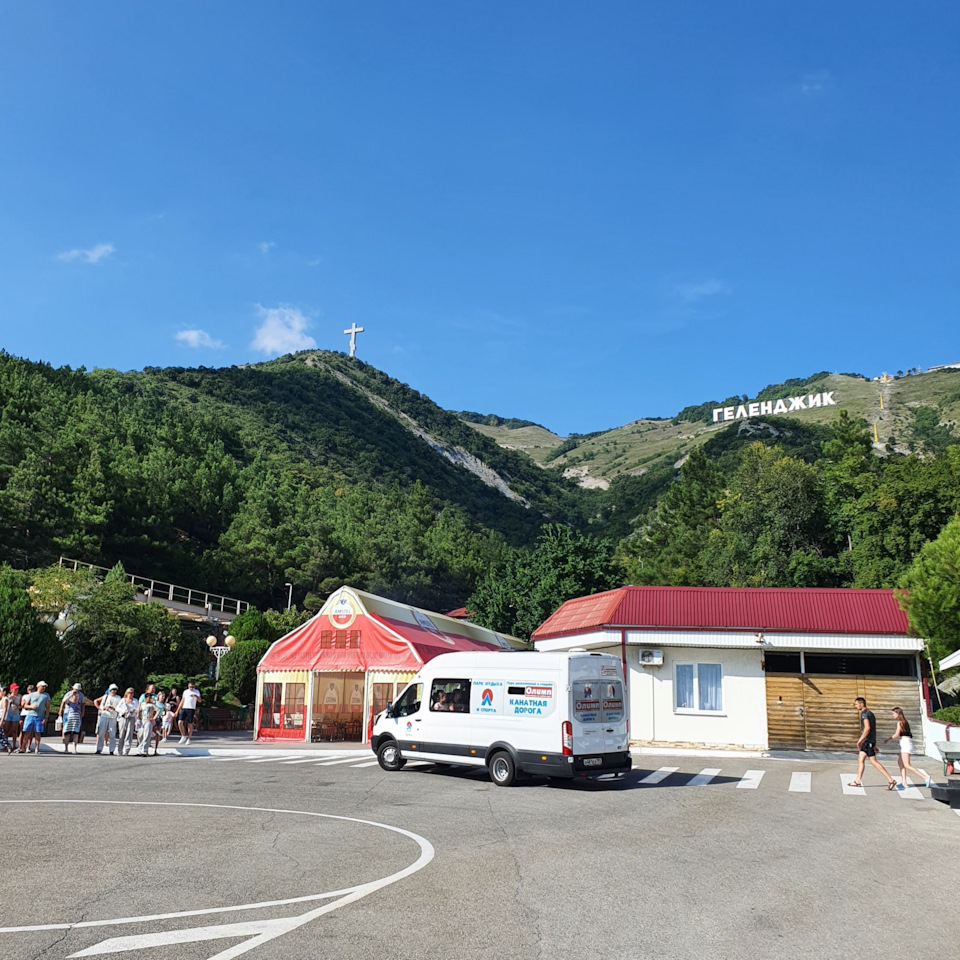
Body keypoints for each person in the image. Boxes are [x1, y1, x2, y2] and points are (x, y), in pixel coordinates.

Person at [848, 697, 898, 790]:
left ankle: (891, 780)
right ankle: (857, 781)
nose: (855, 706)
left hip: (867, 741)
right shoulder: (870, 713)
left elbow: (867, 728)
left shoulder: (865, 714)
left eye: (856, 704)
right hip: (869, 741)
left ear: (861, 704)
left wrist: (860, 740)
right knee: (861, 758)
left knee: (873, 761)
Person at [885, 706, 933, 789]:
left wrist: (888, 739)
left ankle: (925, 777)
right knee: (900, 762)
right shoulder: (904, 721)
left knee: (907, 765)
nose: (892, 715)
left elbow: (897, 734)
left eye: (893, 713)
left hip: (906, 743)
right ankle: (904, 782)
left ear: (898, 713)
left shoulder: (900, 722)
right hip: (905, 743)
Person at [21, 681, 50, 754]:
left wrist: (46, 717)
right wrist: (31, 706)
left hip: (40, 716)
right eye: (42, 686)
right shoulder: (31, 695)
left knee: (37, 732)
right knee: (27, 732)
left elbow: (48, 707)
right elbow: (25, 706)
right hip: (30, 715)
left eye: (44, 687)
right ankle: (23, 747)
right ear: (38, 686)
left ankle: (37, 748)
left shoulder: (46, 695)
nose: (43, 688)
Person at [94, 684, 122, 755]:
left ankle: (111, 749)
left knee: (112, 734)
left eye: (115, 690)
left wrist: (114, 708)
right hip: (104, 716)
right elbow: (101, 705)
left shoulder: (118, 698)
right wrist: (104, 708)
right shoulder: (105, 696)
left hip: (113, 716)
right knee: (101, 733)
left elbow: (119, 707)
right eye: (112, 690)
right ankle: (99, 748)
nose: (114, 691)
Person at [59, 684, 84, 754]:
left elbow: (82, 704)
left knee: (76, 733)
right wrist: (71, 695)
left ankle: (74, 748)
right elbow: (64, 701)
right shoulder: (68, 695)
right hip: (68, 715)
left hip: (76, 716)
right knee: (67, 733)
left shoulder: (81, 696)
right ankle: (66, 748)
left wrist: (82, 713)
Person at [116, 688, 138, 756]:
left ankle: (126, 750)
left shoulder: (135, 701)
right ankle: (119, 750)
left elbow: (138, 709)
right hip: (123, 717)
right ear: (126, 693)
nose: (130, 694)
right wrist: (124, 711)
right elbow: (117, 708)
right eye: (129, 692)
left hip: (131, 718)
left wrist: (133, 710)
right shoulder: (123, 700)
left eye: (132, 693)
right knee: (122, 734)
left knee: (129, 734)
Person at [3, 682, 21, 751]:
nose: (16, 690)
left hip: (15, 714)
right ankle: (6, 745)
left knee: (14, 730)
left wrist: (17, 706)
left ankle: (14, 745)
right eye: (15, 689)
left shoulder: (19, 696)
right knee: (6, 730)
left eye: (17, 689)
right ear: (11, 690)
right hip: (8, 713)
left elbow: (22, 705)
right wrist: (9, 701)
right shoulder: (7, 696)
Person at [0, 686, 14, 754]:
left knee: (0, 735)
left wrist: (2, 720)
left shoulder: (5, 699)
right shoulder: (4, 699)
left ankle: (8, 745)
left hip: (0, 717)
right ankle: (8, 746)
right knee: (1, 734)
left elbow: (5, 710)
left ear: (4, 692)